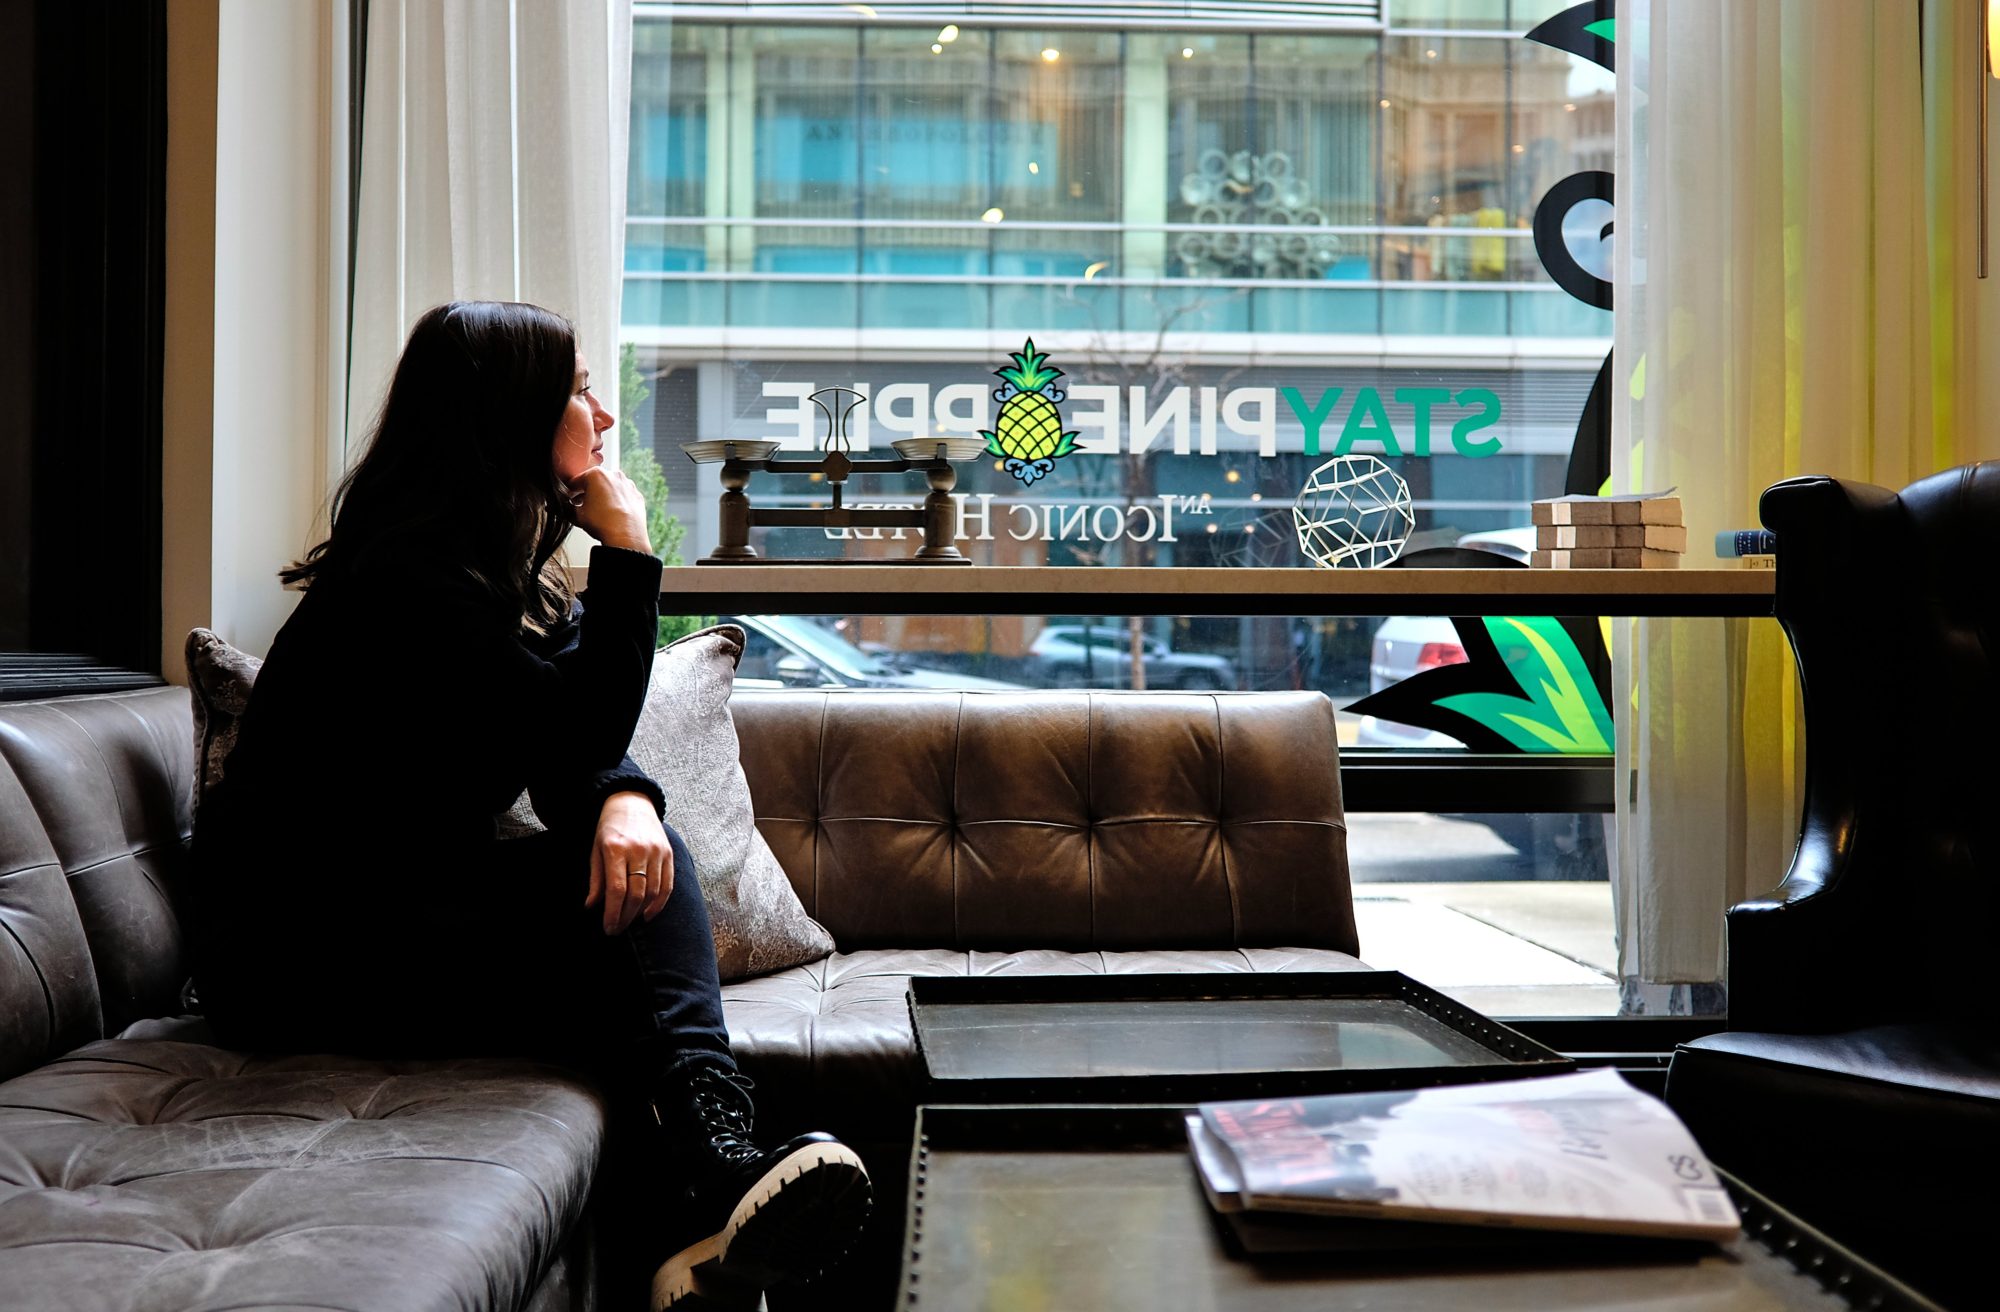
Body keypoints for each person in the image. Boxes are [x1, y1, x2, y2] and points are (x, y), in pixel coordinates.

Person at [188, 300, 870, 1309]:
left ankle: (693, 1225)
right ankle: (713, 1156)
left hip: (385, 911)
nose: (600, 414)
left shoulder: (476, 575)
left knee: (625, 898)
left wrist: (622, 801)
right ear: (505, 418)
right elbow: (571, 728)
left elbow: (554, 742)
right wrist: (630, 550)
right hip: (298, 953)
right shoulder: (405, 591)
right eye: (579, 388)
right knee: (622, 907)